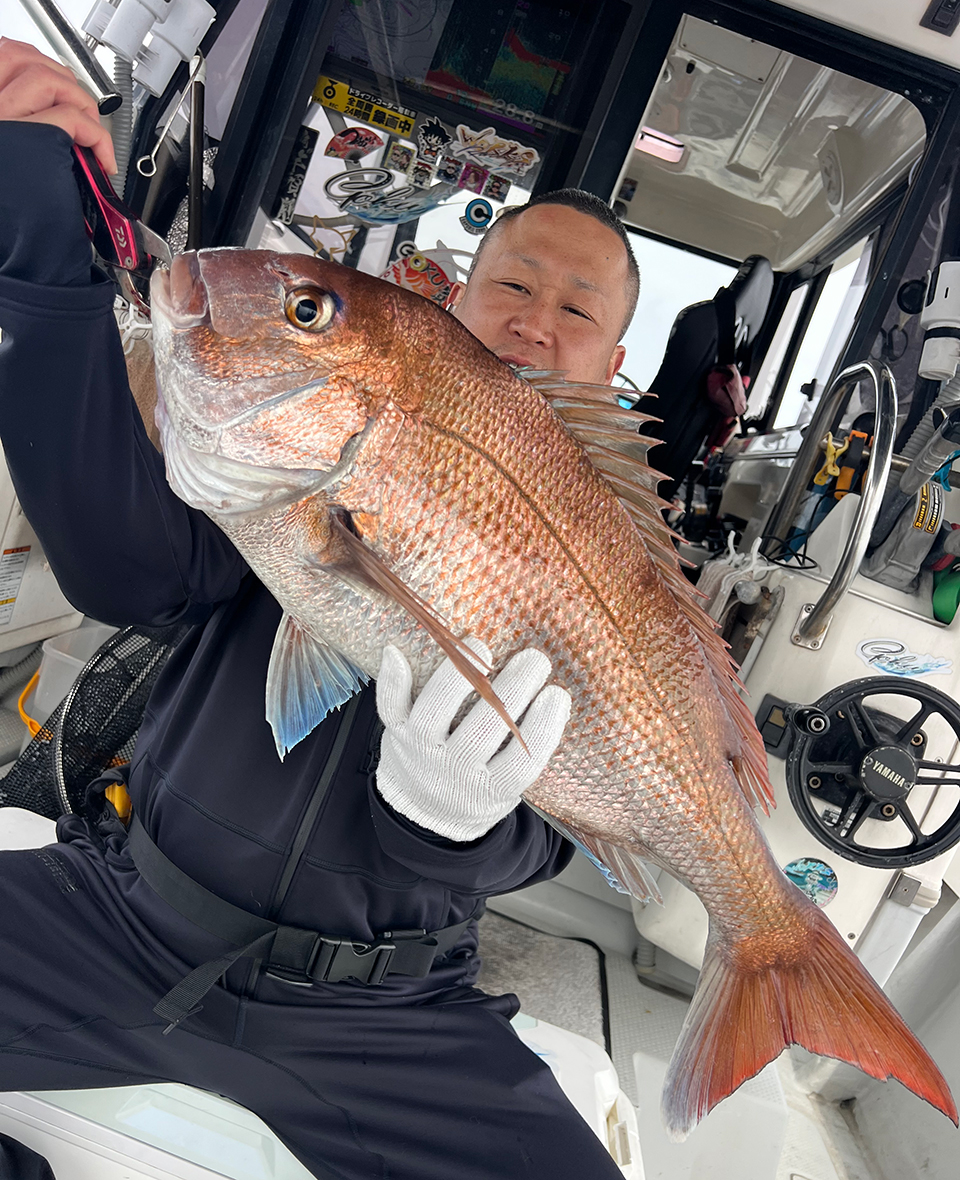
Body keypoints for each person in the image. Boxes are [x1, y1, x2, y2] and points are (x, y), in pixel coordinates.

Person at [0, 37, 638, 1180]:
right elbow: (129, 571)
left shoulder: (620, 552)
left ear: (616, 357)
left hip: (386, 1013)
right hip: (125, 913)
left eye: (577, 307)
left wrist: (452, 821)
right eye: (513, 284)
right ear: (454, 302)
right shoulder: (305, 438)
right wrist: (38, 232)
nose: (537, 318)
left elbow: (568, 812)